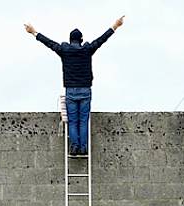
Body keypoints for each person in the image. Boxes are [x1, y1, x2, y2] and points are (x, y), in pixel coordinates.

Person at [25, 16, 125, 155]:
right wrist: (115, 26)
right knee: (83, 121)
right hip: (85, 90)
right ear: (81, 39)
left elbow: (48, 43)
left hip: (71, 90)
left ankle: (74, 147)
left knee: (72, 121)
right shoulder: (87, 50)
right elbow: (102, 39)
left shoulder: (64, 50)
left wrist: (34, 32)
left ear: (70, 39)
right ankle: (83, 148)